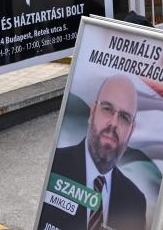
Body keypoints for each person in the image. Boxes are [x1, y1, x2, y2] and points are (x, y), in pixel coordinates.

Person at [39, 75, 146, 230]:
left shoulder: (135, 201)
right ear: (92, 112)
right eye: (107, 109)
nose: (114, 123)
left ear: (131, 131)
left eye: (124, 117)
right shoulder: (56, 165)